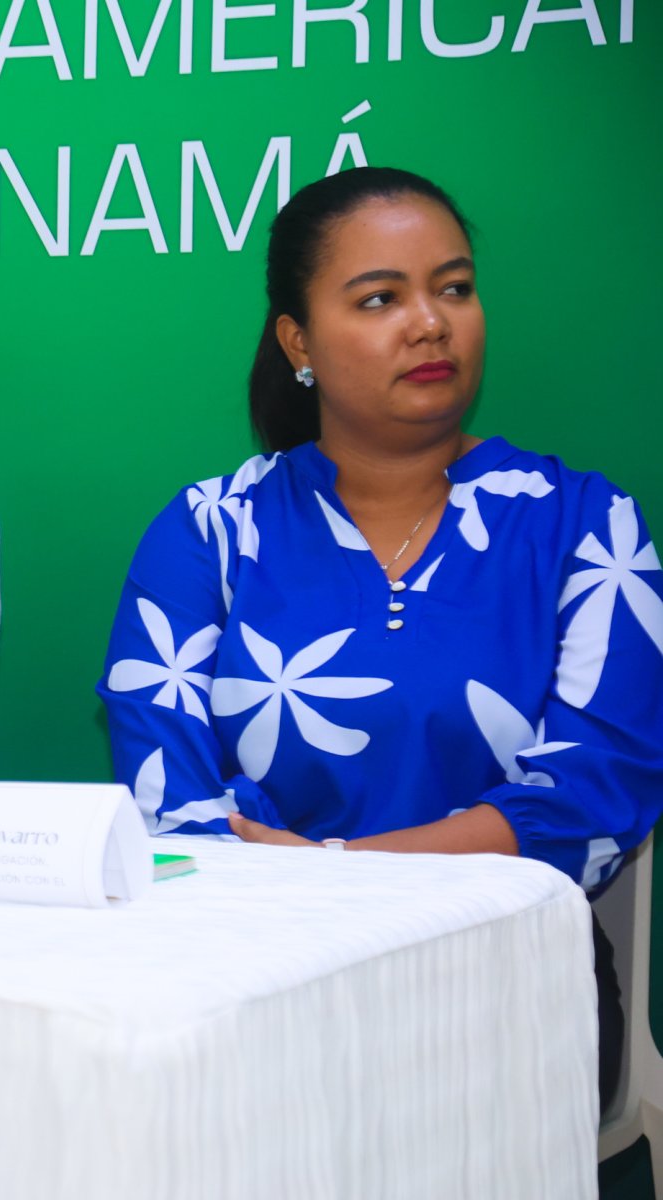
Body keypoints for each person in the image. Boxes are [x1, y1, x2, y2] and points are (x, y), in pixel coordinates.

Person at [98, 166, 662, 1112]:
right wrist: (297, 901)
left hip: (503, 981)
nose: (430, 323)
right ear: (299, 341)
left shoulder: (583, 526)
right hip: (254, 980)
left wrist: (338, 877)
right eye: (379, 298)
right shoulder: (211, 531)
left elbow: (596, 794)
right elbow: (169, 800)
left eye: (454, 288)